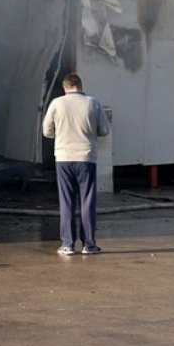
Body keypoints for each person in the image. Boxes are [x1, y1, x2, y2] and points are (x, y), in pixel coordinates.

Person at [42, 73, 110, 256]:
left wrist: (63, 135)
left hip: (63, 158)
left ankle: (67, 244)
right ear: (80, 85)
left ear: (65, 88)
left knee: (67, 202)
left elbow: (47, 131)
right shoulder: (93, 102)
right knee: (87, 201)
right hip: (86, 157)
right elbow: (104, 130)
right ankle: (89, 244)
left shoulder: (56, 103)